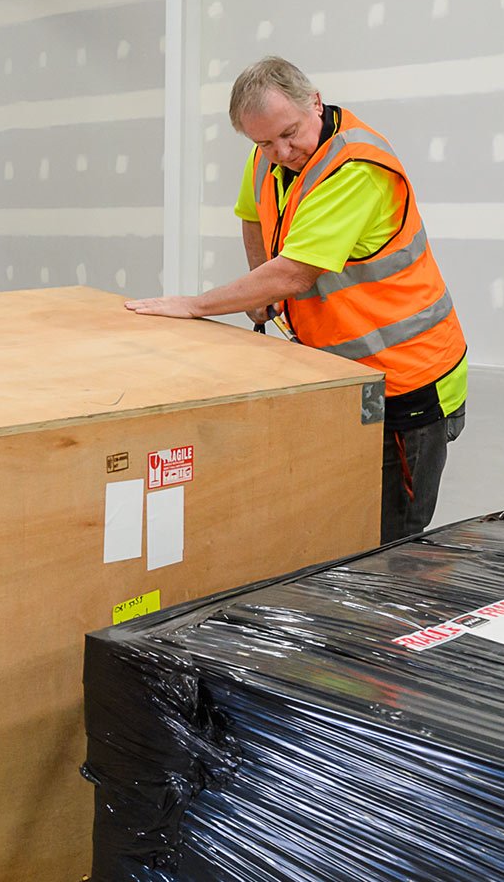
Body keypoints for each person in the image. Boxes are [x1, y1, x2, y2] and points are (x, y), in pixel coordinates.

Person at [126, 56, 467, 545]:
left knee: (389, 539)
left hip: (408, 379)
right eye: (264, 142)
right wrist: (255, 282)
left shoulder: (356, 169)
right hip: (340, 375)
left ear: (315, 101)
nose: (282, 152)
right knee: (337, 523)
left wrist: (196, 304)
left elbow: (293, 274)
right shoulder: (267, 154)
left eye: (289, 134)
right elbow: (251, 214)